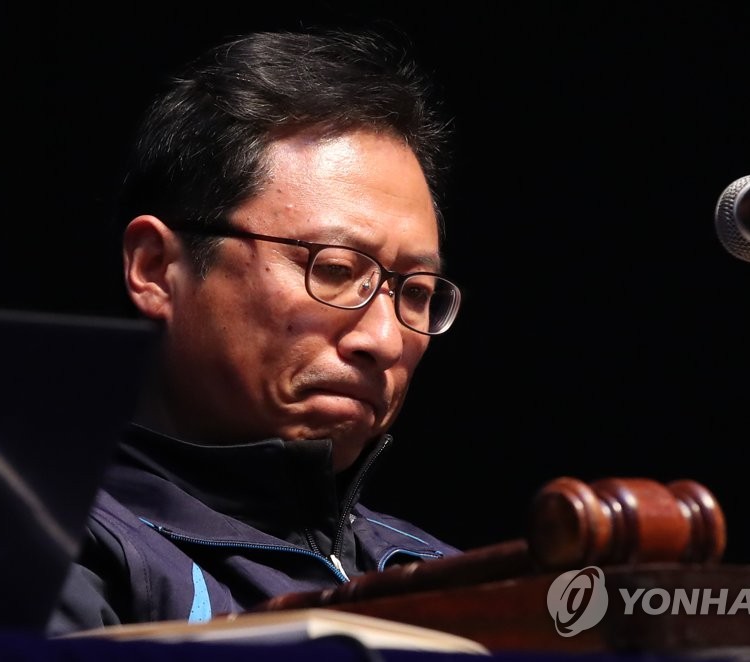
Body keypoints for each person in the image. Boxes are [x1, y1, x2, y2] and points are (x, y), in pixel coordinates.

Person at [46, 27, 464, 635]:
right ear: (157, 268)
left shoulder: (452, 579)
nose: (384, 340)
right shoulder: (46, 548)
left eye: (416, 293)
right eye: (335, 269)